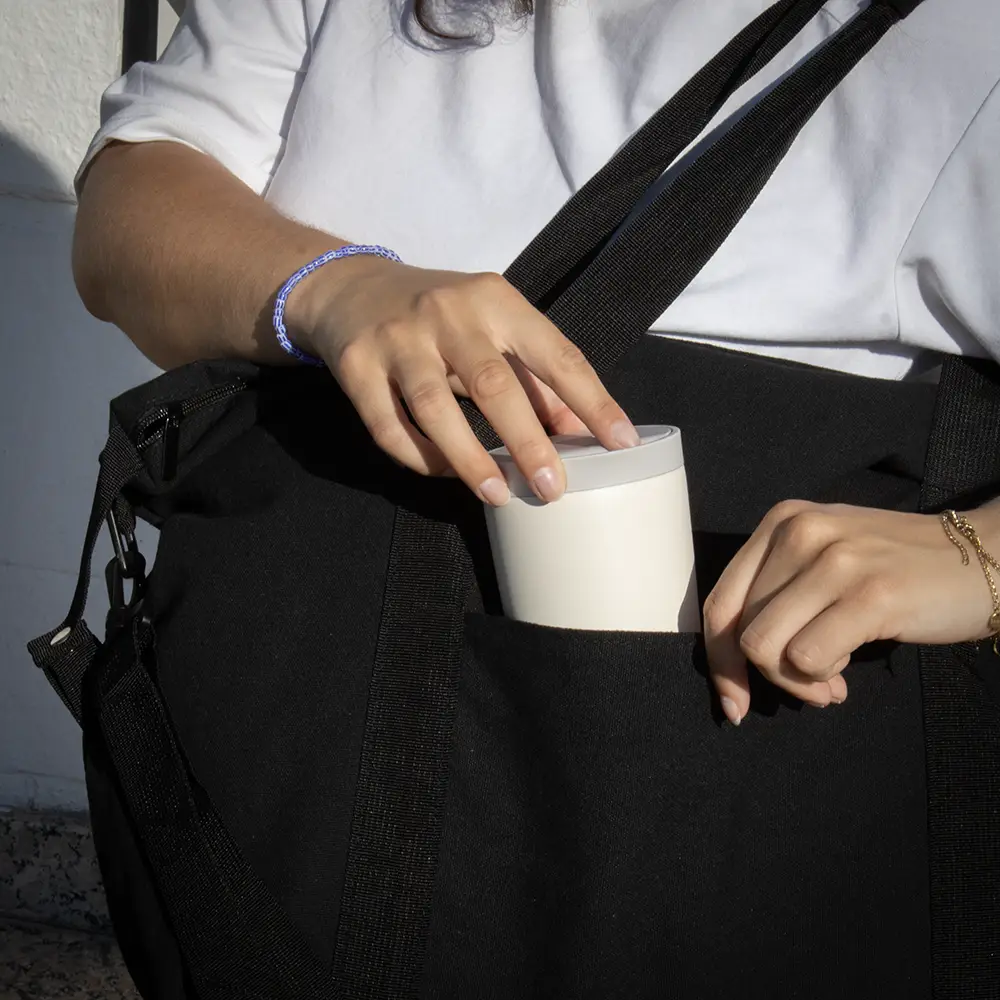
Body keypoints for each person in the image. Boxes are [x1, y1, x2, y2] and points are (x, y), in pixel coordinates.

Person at [70, 0, 1000, 996]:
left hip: (756, 804)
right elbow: (130, 209)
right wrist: (336, 291)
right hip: (301, 771)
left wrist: (979, 555)